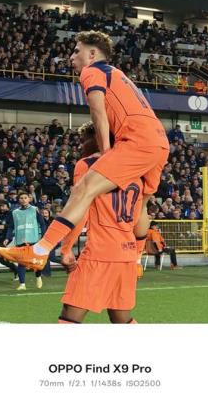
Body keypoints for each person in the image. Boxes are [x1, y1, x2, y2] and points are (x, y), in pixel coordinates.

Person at [0, 30, 169, 272]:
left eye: (77, 51)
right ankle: (136, 261)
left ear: (92, 54)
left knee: (83, 188)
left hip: (137, 141)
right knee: (142, 204)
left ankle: (40, 250)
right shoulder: (119, 75)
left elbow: (98, 112)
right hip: (159, 142)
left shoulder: (92, 71)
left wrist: (106, 152)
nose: (71, 57)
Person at [56, 121, 143, 324]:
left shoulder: (87, 165)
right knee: (121, 318)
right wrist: (137, 255)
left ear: (98, 137)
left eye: (84, 139)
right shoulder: (136, 171)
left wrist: (66, 248)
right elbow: (140, 218)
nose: (81, 145)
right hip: (126, 255)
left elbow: (80, 209)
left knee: (70, 315)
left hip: (99, 253)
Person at [3, 192, 46, 291]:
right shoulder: (15, 212)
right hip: (20, 240)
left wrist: (43, 237)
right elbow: (11, 227)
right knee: (21, 262)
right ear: (19, 200)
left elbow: (42, 224)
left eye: (25, 198)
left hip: (34, 239)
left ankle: (38, 277)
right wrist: (7, 238)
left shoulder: (34, 209)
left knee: (35, 262)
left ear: (29, 199)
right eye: (21, 198)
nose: (23, 200)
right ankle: (22, 284)